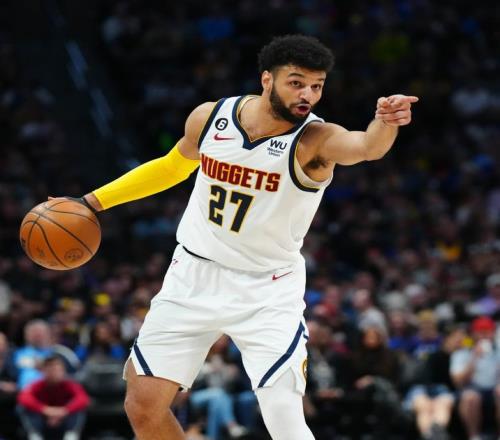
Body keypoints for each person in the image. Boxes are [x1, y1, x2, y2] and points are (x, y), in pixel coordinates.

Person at [56, 34, 418, 439]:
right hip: (192, 274)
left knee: (283, 418)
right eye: (296, 83)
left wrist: (386, 123)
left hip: (267, 287)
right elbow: (172, 167)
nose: (307, 95)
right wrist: (91, 202)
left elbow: (366, 146)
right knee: (142, 406)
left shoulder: (315, 139)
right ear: (267, 79)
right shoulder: (211, 117)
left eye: (317, 86)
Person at [17, 355, 89, 440]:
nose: (54, 373)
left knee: (80, 409)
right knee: (22, 408)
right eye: (50, 369)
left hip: (65, 419)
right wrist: (45, 410)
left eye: (57, 370)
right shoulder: (37, 385)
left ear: (63, 371)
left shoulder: (70, 384)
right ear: (43, 371)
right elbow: (23, 397)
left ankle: (71, 436)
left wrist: (65, 411)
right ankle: (35, 436)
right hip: (43, 419)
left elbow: (83, 399)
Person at [450, 316, 500, 440]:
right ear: (473, 334)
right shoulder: (461, 352)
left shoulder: (498, 350)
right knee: (470, 397)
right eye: (481, 332)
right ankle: (474, 436)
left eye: (487, 332)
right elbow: (458, 381)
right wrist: (474, 358)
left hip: (494, 388)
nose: (484, 336)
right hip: (473, 388)